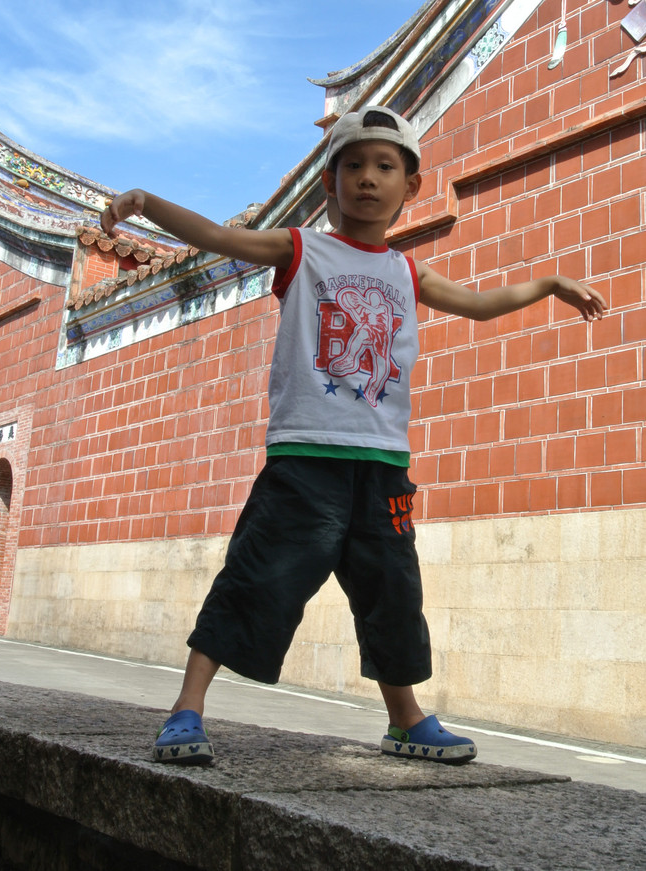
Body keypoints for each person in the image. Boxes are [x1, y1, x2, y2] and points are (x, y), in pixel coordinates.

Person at [100, 105, 607, 766]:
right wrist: (146, 203)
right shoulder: (301, 249)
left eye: (385, 166)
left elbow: (480, 305)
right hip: (304, 458)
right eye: (354, 166)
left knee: (392, 592)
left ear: (410, 186)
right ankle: (186, 709)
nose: (368, 178)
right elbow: (218, 238)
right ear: (330, 184)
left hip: (382, 465)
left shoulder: (408, 272)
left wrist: (548, 284)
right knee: (255, 579)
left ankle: (405, 720)